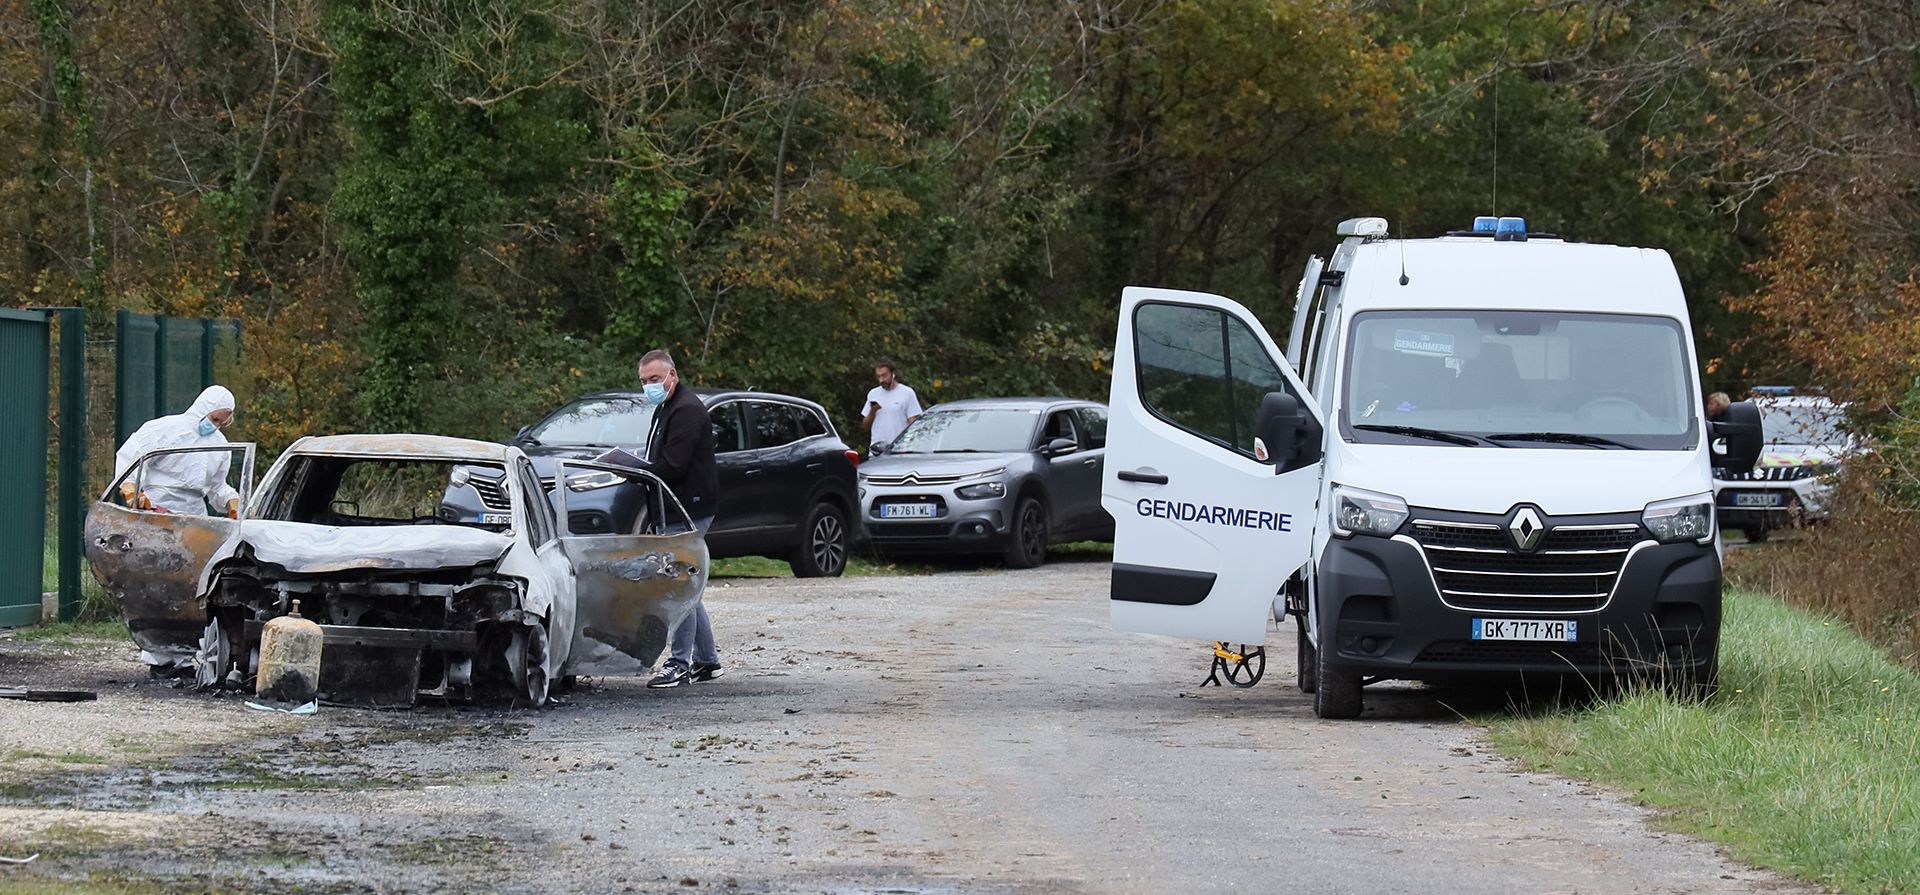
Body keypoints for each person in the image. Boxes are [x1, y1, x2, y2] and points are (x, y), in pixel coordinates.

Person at [619, 349, 723, 688]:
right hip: (674, 506)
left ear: (672, 375)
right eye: (644, 381)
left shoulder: (687, 411)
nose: (649, 386)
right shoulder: (667, 408)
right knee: (687, 588)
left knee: (678, 587)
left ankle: (680, 663)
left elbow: (673, 465)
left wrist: (639, 472)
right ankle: (706, 661)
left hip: (688, 509)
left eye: (654, 379)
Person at [112, 385, 242, 517]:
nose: (215, 426)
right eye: (214, 419)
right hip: (155, 511)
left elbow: (217, 485)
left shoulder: (220, 444)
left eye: (221, 423)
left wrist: (231, 501)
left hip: (196, 518)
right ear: (203, 408)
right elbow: (133, 456)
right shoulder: (165, 428)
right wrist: (130, 487)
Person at [861, 359, 923, 450]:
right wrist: (873, 410)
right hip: (877, 450)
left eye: (884, 376)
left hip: (900, 449)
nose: (881, 380)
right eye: (878, 376)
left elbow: (913, 423)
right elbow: (865, 426)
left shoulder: (907, 392)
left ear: (893, 374)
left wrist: (912, 445)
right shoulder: (873, 394)